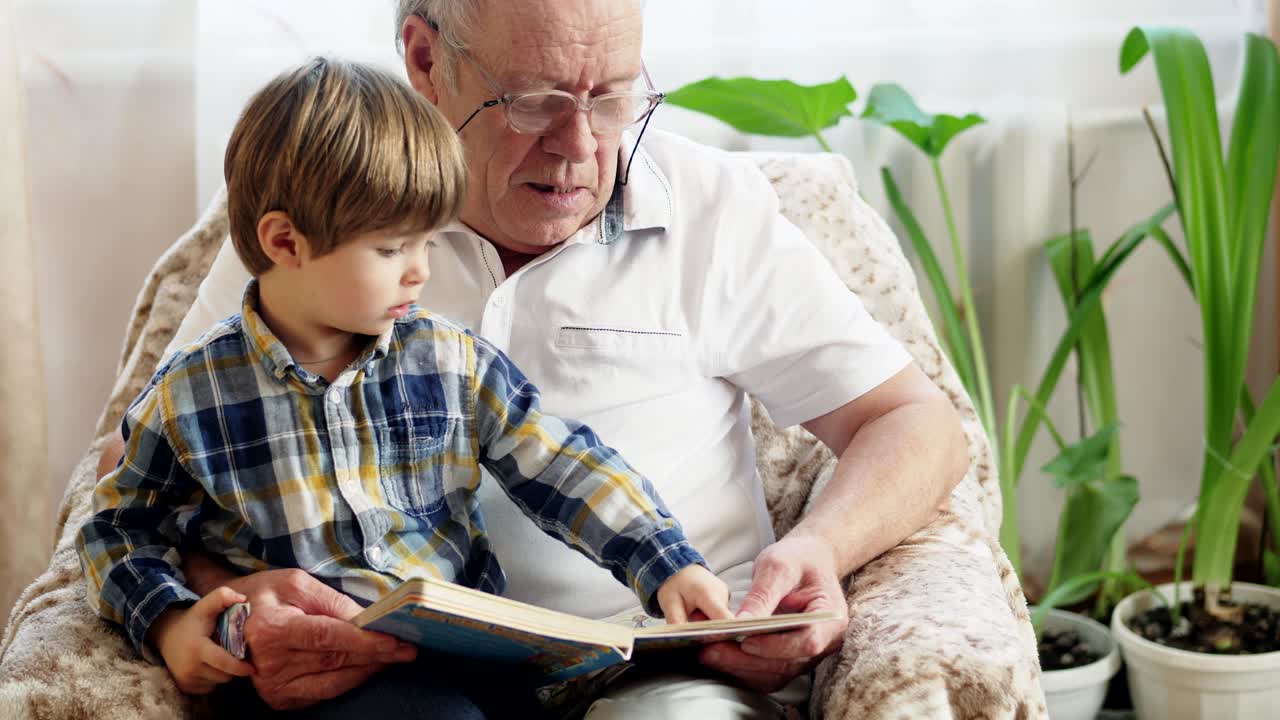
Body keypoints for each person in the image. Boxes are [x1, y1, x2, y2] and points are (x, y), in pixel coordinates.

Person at [96, 0, 971, 716]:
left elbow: (912, 421)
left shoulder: (714, 210)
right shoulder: (329, 209)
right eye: (536, 98)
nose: (584, 144)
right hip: (397, 672)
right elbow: (138, 472)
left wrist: (810, 549)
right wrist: (221, 604)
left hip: (664, 669)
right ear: (426, 59)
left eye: (615, 96)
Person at [78, 57, 733, 719]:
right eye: (393, 249)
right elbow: (118, 528)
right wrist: (170, 623)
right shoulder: (194, 392)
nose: (420, 271)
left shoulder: (448, 361)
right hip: (316, 680)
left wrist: (666, 562)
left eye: (428, 241)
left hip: (469, 661)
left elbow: (563, 465)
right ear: (285, 242)